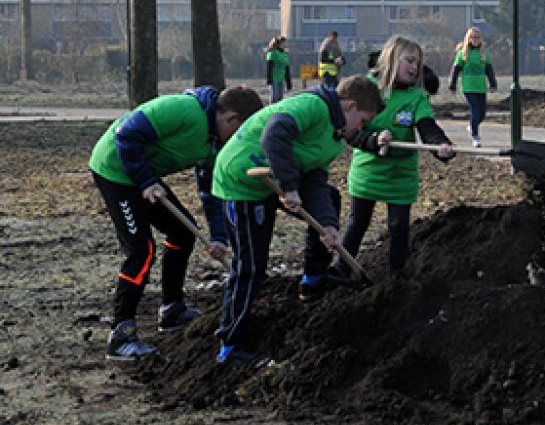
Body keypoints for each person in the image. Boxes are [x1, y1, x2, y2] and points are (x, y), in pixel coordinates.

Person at [210, 75, 383, 368]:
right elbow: (274, 135)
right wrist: (289, 187)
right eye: (363, 121)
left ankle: (313, 281)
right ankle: (230, 345)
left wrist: (328, 226)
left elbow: (314, 182)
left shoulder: (333, 138)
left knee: (329, 197)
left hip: (273, 179)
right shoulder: (312, 105)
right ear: (351, 106)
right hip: (242, 181)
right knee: (251, 265)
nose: (361, 129)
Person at [89, 85, 264, 361]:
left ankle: (172, 308)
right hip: (116, 169)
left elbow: (209, 191)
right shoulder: (183, 110)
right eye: (241, 130)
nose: (239, 139)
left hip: (144, 174)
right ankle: (121, 334)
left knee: (182, 232)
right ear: (232, 118)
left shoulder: (212, 143)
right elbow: (126, 135)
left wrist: (219, 237)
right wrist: (146, 182)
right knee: (141, 251)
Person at [341, 37, 455, 274]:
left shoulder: (417, 98)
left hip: (400, 176)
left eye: (418, 62)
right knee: (357, 223)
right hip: (367, 173)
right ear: (392, 59)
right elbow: (351, 133)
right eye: (410, 61)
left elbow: (427, 128)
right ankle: (340, 269)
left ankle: (396, 277)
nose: (415, 67)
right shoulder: (368, 88)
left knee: (399, 226)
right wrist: (373, 141)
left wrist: (440, 145)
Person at [448, 26, 497, 147]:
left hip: (481, 86)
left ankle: (472, 125)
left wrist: (493, 83)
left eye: (477, 37)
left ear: (480, 39)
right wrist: (452, 85)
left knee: (482, 114)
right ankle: (475, 136)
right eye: (472, 37)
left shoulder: (484, 54)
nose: (475, 40)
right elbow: (455, 70)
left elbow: (489, 70)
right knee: (475, 112)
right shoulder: (462, 54)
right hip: (468, 87)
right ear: (468, 39)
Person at [265, 36, 292, 103]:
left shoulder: (284, 54)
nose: (284, 45)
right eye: (283, 43)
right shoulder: (272, 53)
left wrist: (288, 82)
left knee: (280, 99)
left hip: (281, 78)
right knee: (275, 97)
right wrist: (269, 79)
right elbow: (269, 67)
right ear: (279, 44)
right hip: (274, 78)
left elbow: (286, 69)